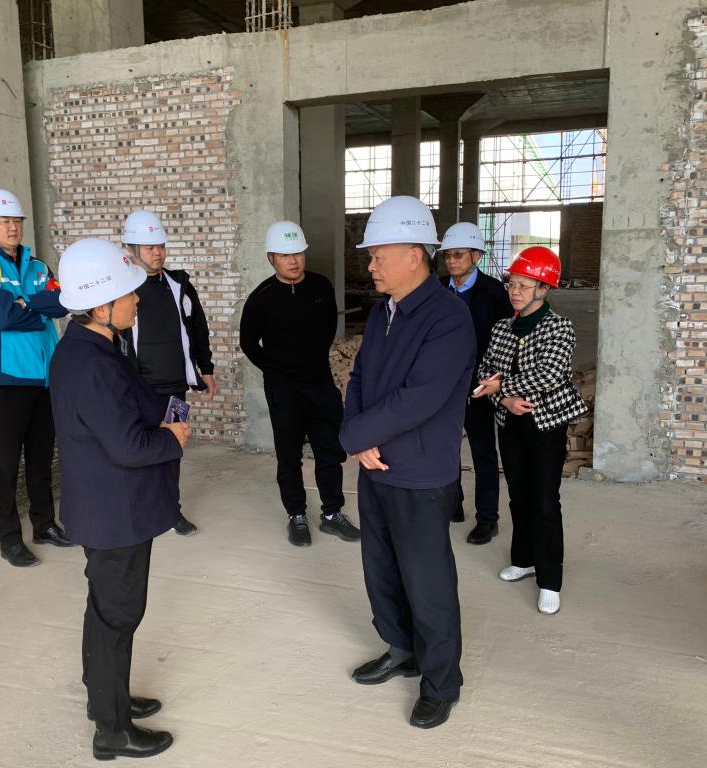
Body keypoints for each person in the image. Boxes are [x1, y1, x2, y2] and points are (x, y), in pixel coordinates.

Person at [49, 238, 189, 761]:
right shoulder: (94, 364)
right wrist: (172, 439)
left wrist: (167, 413)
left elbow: (130, 407)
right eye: (129, 294)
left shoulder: (94, 348)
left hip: (106, 508)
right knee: (117, 616)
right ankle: (112, 730)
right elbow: (129, 446)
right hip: (114, 513)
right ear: (100, 305)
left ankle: (106, 699)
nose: (137, 300)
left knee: (106, 612)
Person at [339, 196, 476, 730]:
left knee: (427, 582)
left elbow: (420, 398)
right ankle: (401, 649)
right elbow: (360, 378)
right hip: (375, 464)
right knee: (382, 569)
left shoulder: (448, 318)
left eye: (378, 255)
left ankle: (441, 682)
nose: (370, 265)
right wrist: (358, 438)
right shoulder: (384, 312)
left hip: (419, 471)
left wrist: (355, 435)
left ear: (414, 255)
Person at [472, 246, 587, 616]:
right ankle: (523, 559)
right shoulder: (502, 327)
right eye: (512, 284)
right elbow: (484, 370)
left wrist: (501, 386)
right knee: (518, 496)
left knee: (545, 502)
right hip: (510, 423)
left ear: (544, 289)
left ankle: (550, 580)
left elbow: (550, 374)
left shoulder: (559, 327)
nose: (515, 292)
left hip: (545, 424)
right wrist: (504, 399)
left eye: (524, 285)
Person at [0, 188, 73, 567]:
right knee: (6, 463)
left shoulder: (39, 267)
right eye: (4, 221)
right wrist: (32, 308)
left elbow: (63, 303)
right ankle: (9, 538)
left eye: (17, 220)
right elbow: (3, 317)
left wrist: (26, 303)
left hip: (45, 376)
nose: (12, 227)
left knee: (41, 459)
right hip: (7, 378)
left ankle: (44, 525)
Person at [239, 220, 359, 547]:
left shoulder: (320, 287)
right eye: (284, 255)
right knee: (289, 455)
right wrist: (275, 369)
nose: (293, 261)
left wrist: (311, 360)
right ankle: (296, 515)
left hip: (320, 383)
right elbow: (248, 342)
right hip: (284, 389)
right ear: (271, 258)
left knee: (329, 451)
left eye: (298, 254)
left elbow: (328, 327)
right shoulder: (261, 297)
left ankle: (332, 514)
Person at [119, 209, 215, 536]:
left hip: (176, 389)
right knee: (140, 449)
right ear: (132, 250)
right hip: (139, 389)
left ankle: (171, 511)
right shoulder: (122, 289)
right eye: (149, 248)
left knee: (173, 446)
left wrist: (206, 369)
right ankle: (140, 509)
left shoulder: (179, 286)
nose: (157, 253)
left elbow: (198, 329)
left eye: (160, 246)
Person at [438, 222, 514, 545]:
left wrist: (495, 380)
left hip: (480, 385)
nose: (451, 261)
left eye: (458, 255)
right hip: (444, 385)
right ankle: (452, 506)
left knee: (483, 452)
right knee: (445, 449)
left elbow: (507, 340)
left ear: (476, 255)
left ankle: (487, 519)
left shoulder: (494, 293)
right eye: (447, 255)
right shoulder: (437, 289)